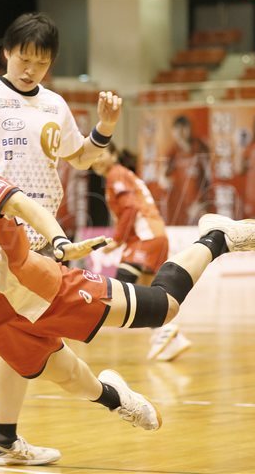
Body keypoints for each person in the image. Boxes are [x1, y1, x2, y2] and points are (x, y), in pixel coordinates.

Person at [0, 88, 255, 473]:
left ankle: (217, 237)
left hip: (35, 292)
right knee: (69, 377)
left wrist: (59, 241)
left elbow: (21, 203)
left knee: (163, 308)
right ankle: (113, 400)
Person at [0, 12, 122, 470]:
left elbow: (81, 157)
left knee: (25, 338)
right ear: (7, 52)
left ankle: (4, 439)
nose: (30, 69)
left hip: (39, 239)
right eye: (24, 58)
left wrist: (104, 126)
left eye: (40, 62)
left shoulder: (55, 105)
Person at [91, 142, 192, 362]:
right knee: (147, 295)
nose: (96, 159)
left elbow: (130, 208)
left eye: (101, 154)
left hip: (145, 237)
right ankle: (169, 335)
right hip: (155, 235)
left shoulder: (116, 174)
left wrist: (117, 240)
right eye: (93, 155)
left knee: (122, 286)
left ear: (113, 155)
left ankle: (164, 331)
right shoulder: (122, 174)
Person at [163, 115, 210, 226]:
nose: (180, 132)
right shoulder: (172, 152)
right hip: (180, 204)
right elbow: (162, 177)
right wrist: (166, 181)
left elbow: (209, 175)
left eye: (183, 128)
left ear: (189, 129)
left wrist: (202, 201)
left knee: (204, 227)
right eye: (177, 129)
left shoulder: (199, 147)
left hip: (199, 202)